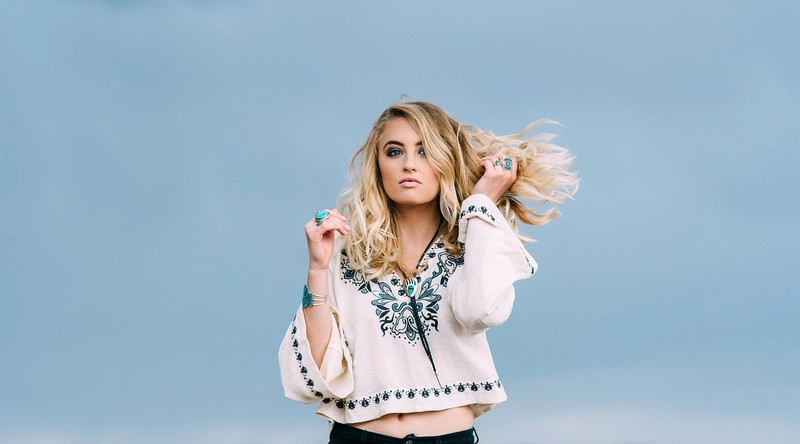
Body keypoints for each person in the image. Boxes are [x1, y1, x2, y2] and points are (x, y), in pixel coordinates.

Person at [279, 101, 578, 444]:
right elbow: (317, 373)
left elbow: (479, 311)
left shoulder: (474, 239)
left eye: (424, 151)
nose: (409, 164)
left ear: (446, 159)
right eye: (394, 152)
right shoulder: (347, 249)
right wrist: (318, 268)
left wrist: (481, 203)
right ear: (377, 165)